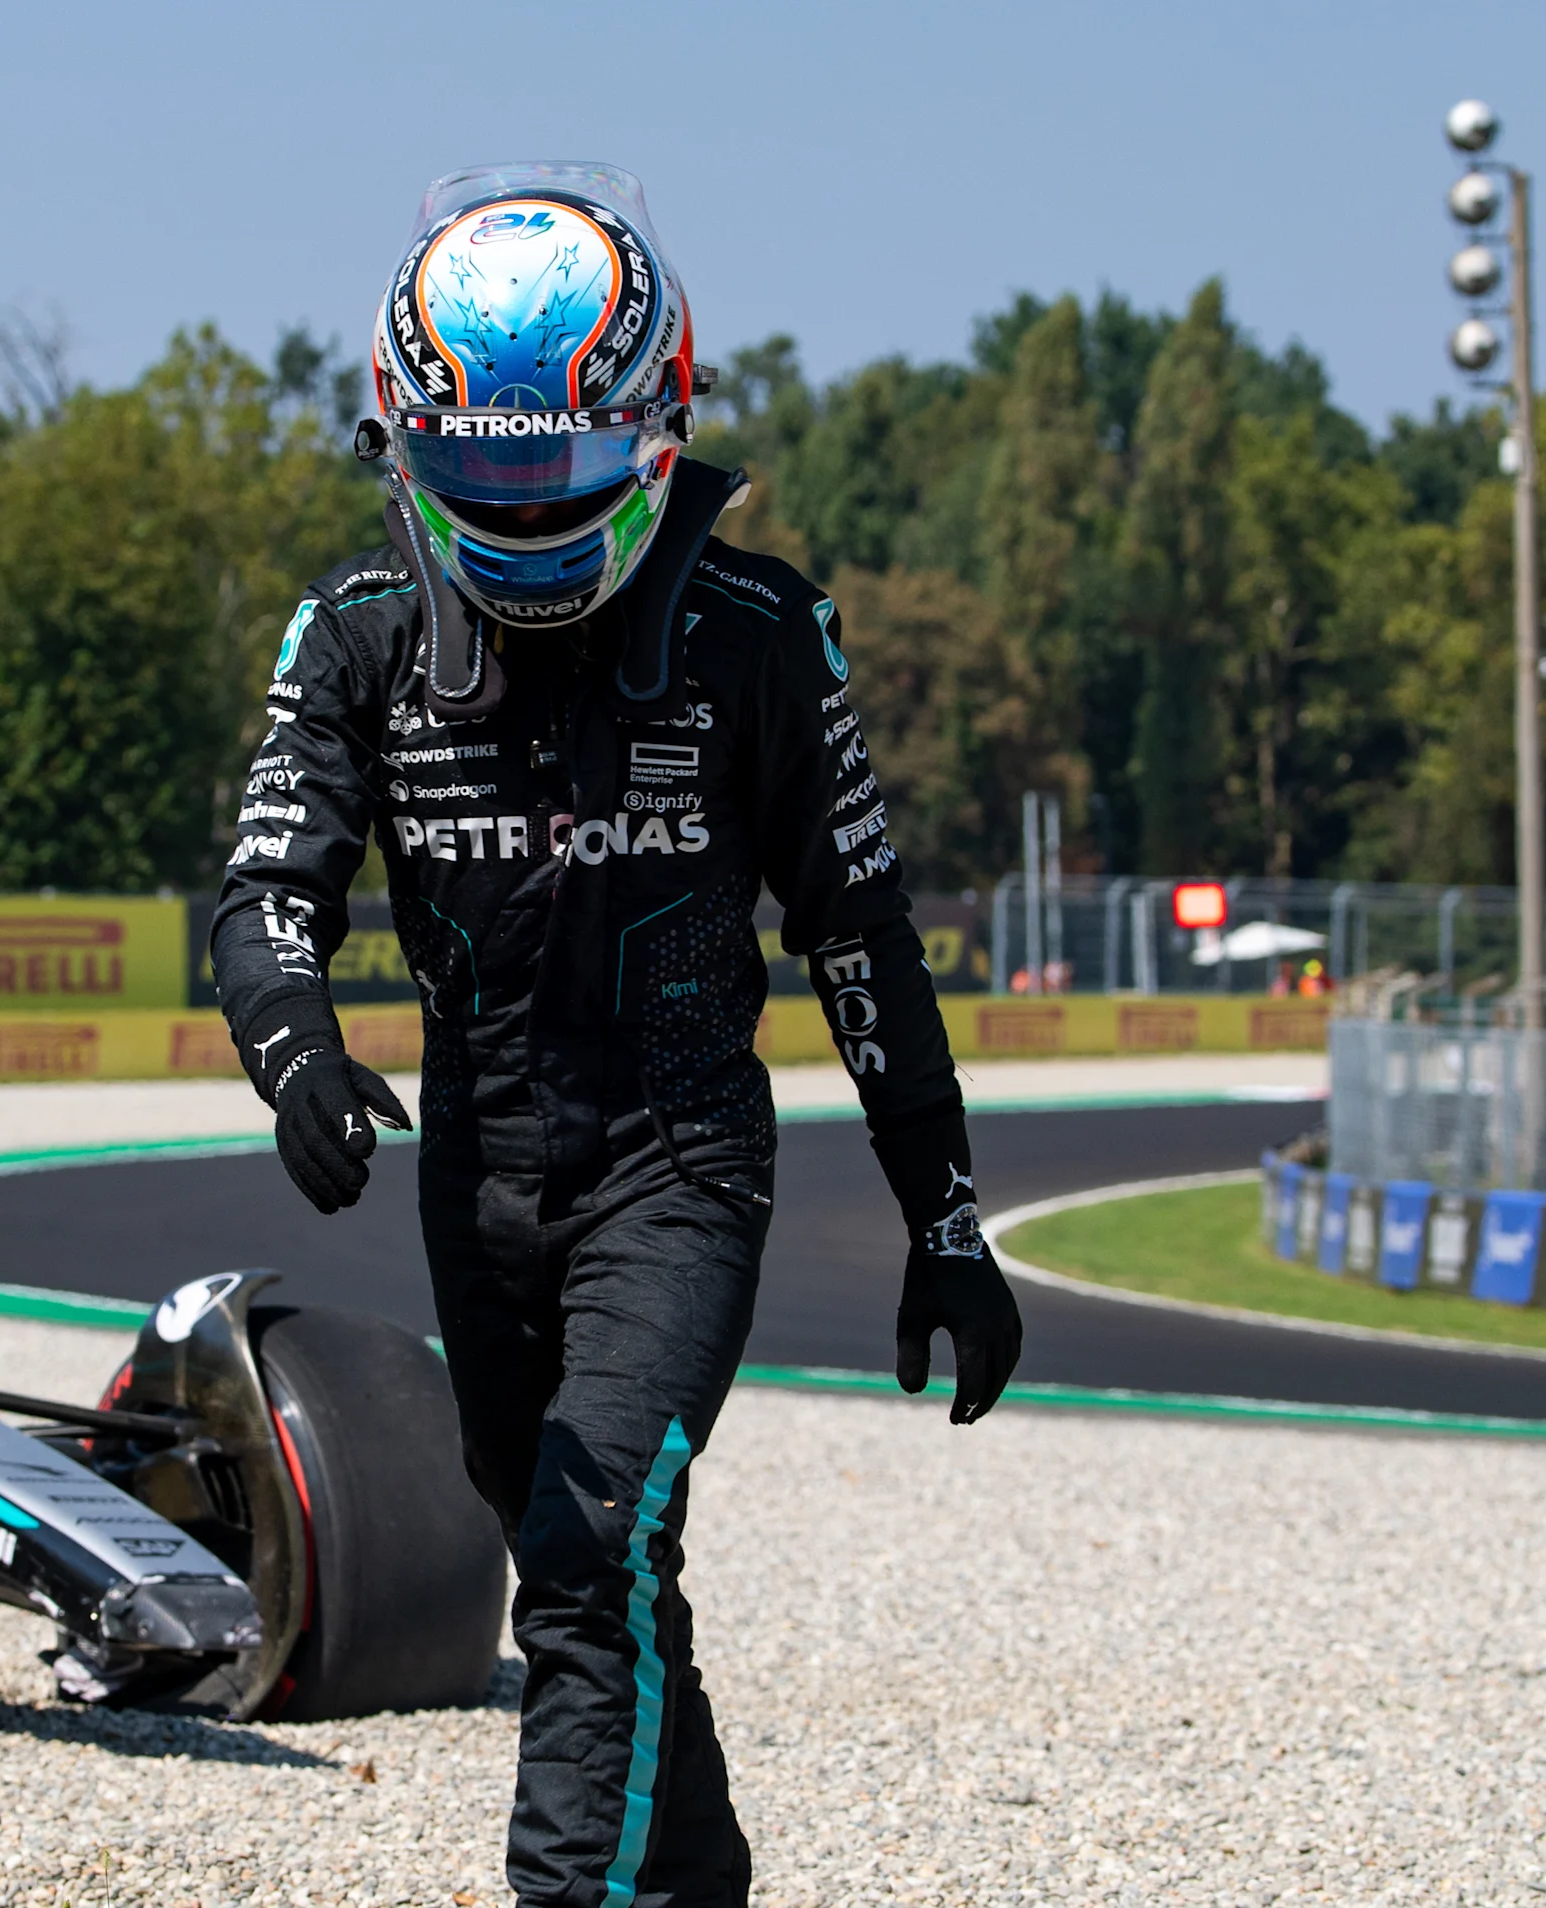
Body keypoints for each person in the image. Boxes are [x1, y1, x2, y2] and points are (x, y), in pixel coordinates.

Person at [208, 161, 1022, 1908]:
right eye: (478, 466)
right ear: (400, 438)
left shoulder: (761, 639)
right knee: (591, 1561)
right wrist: (293, 1049)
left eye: (552, 465)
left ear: (659, 426)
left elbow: (862, 937)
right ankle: (702, 1878)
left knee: (587, 1552)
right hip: (479, 1176)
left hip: (682, 1163)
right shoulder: (351, 643)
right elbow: (267, 889)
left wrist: (945, 1218)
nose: (517, 505)